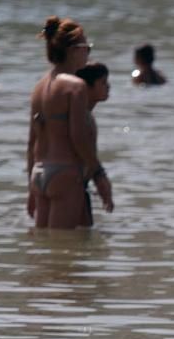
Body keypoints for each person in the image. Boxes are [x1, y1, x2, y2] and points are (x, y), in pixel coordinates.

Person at [27, 16, 112, 229]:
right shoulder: (75, 86)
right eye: (87, 47)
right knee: (63, 256)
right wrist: (99, 176)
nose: (88, 52)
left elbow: (32, 143)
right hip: (65, 173)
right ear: (74, 49)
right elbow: (78, 137)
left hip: (39, 173)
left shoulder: (39, 87)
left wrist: (30, 189)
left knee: (45, 250)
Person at [73, 62, 113, 227]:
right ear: (86, 87)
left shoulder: (86, 114)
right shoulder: (82, 116)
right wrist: (100, 179)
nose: (108, 87)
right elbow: (85, 151)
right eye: (103, 82)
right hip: (74, 184)